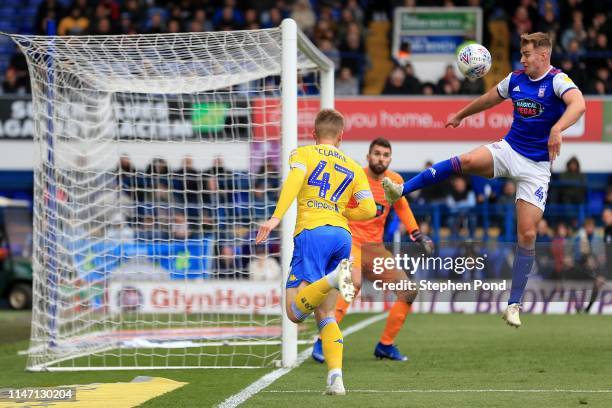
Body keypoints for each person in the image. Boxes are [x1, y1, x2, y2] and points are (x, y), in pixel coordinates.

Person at [382, 32, 586, 328]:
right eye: (522, 53)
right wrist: (461, 114)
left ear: (543, 55)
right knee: (464, 161)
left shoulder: (557, 80)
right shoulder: (516, 79)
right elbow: (490, 98)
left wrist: (557, 128)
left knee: (527, 235)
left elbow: (578, 105)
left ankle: (513, 304)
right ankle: (401, 189)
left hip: (537, 168)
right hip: (509, 150)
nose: (523, 58)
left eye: (527, 54)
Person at [256, 108, 376, 395]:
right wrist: (342, 211)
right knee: (326, 314)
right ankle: (336, 378)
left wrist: (275, 217)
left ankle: (334, 279)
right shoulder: (353, 165)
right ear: (341, 137)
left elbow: (295, 181)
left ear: (314, 133)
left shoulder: (303, 154)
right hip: (342, 235)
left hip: (312, 233)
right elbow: (370, 209)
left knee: (295, 313)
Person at [311, 137, 430, 363]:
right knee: (352, 284)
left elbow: (402, 206)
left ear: (390, 159)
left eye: (385, 155)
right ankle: (323, 339)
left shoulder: (394, 180)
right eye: (376, 154)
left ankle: (385, 345)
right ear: (368, 156)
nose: (380, 158)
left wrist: (416, 234)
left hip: (375, 249)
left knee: (409, 291)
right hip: (352, 244)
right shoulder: (355, 175)